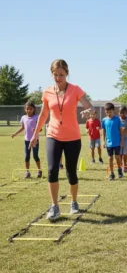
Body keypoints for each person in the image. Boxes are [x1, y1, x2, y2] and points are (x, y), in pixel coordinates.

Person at [29, 59, 95, 220]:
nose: (58, 78)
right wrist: (35, 134)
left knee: (71, 172)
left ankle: (73, 202)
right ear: (51, 74)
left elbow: (91, 108)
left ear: (67, 74)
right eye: (55, 75)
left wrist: (89, 112)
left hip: (72, 137)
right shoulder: (47, 92)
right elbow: (44, 114)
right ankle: (54, 206)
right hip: (53, 135)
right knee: (52, 170)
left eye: (61, 75)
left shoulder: (75, 89)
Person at [11, 101, 42, 178]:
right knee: (27, 156)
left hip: (35, 140)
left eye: (30, 109)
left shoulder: (36, 117)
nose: (29, 110)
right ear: (25, 109)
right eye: (27, 109)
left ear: (33, 109)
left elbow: (40, 129)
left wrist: (36, 130)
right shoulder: (23, 118)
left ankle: (39, 171)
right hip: (27, 140)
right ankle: (27, 172)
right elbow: (22, 128)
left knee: (35, 156)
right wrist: (15, 134)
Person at [102, 103, 124, 181]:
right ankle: (112, 173)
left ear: (113, 111)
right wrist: (104, 141)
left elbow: (121, 130)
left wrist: (122, 140)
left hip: (117, 142)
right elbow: (104, 131)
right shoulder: (104, 120)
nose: (109, 114)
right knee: (110, 158)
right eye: (107, 112)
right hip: (108, 143)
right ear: (105, 111)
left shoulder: (117, 119)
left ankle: (119, 169)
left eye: (110, 112)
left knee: (117, 157)